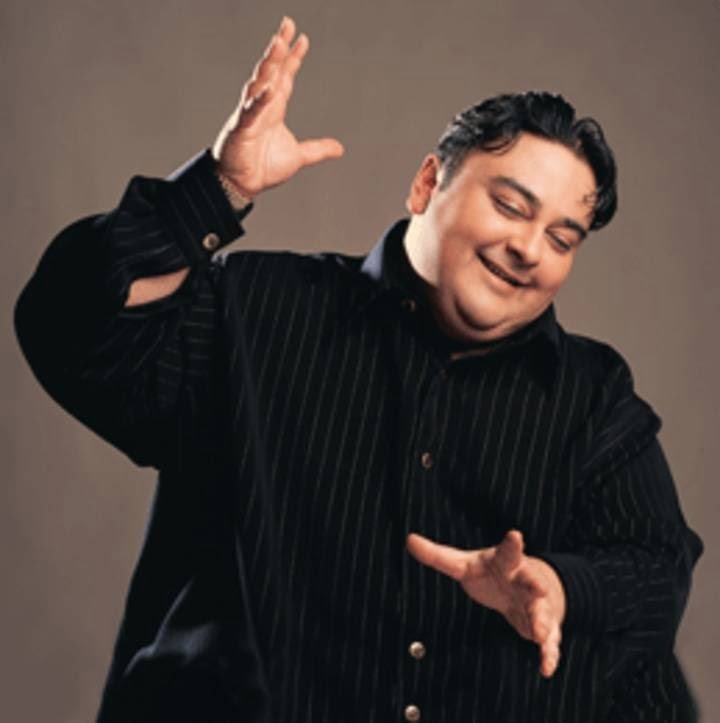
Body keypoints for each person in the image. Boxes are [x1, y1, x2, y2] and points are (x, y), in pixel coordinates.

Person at [14, 14, 702, 723]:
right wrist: (218, 188)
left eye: (561, 238)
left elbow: (657, 567)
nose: (529, 248)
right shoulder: (254, 310)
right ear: (427, 183)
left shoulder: (594, 396)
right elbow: (71, 329)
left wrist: (562, 585)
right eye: (509, 205)